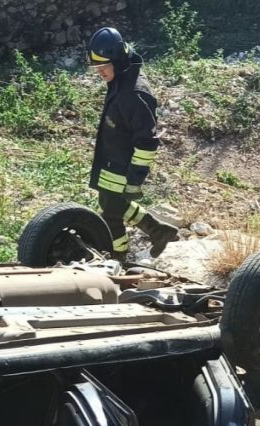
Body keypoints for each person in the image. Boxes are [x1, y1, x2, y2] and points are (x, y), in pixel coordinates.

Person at [87, 27, 179, 259]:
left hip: (123, 165)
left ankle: (118, 258)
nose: (99, 72)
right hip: (111, 159)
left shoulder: (135, 94)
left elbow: (147, 142)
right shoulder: (121, 80)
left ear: (118, 61)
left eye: (103, 66)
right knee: (111, 204)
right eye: (96, 67)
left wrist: (135, 178)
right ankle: (158, 230)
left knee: (111, 215)